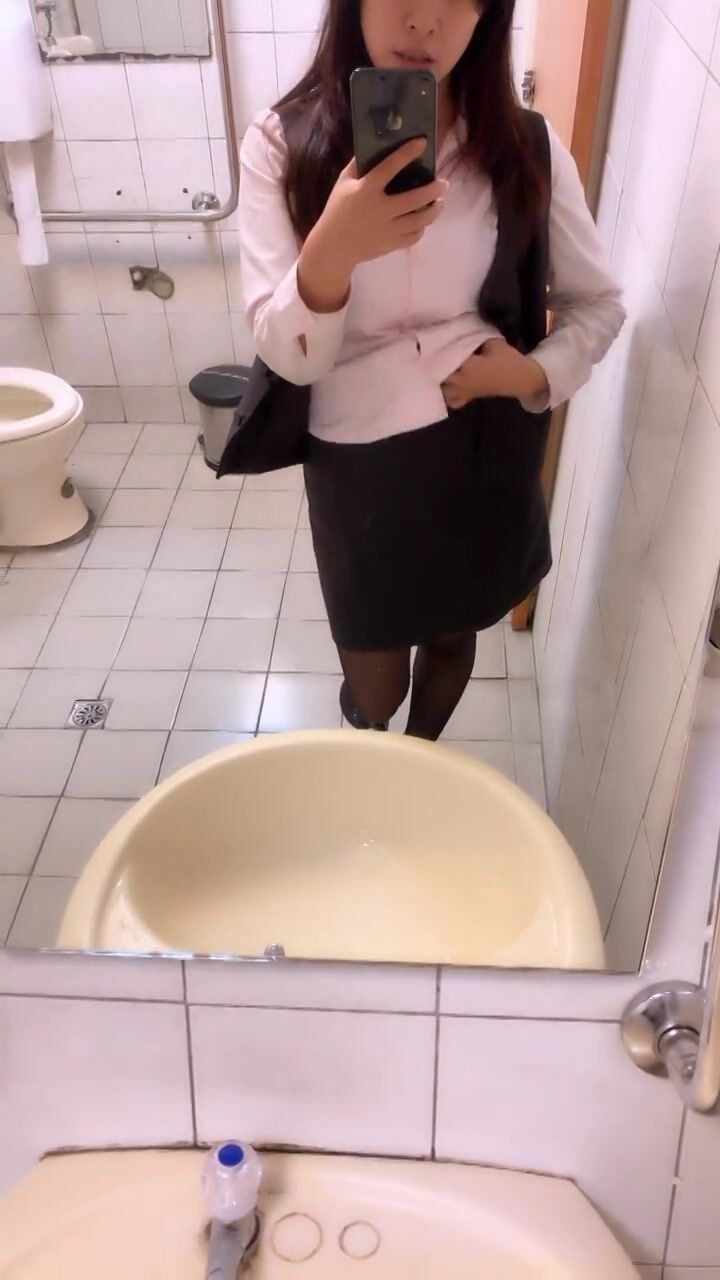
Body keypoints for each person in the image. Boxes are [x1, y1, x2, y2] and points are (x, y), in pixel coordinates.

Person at [239, 0, 626, 740]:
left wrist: (530, 376)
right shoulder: (281, 145)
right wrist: (331, 251)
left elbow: (599, 304)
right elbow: (290, 357)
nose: (425, 22)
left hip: (483, 443)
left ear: (488, 16)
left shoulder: (526, 147)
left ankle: (421, 764)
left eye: (456, 0)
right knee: (374, 678)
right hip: (357, 460)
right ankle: (373, 747)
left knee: (454, 635)